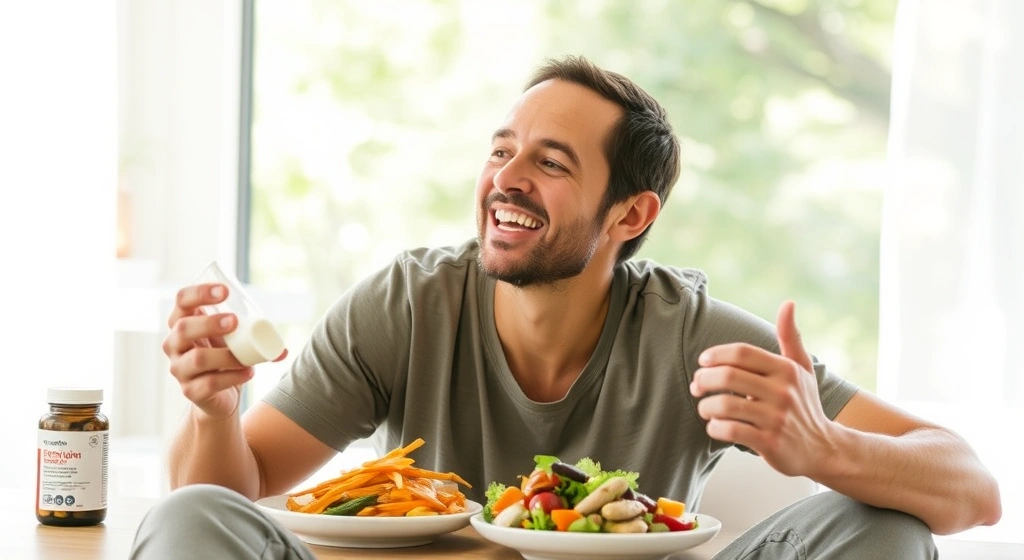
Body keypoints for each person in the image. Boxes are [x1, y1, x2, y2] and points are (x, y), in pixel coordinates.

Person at [130, 55, 1001, 559]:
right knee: (184, 515)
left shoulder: (694, 336)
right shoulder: (408, 303)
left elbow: (973, 489)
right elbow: (224, 501)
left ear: (631, 215)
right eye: (501, 150)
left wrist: (823, 445)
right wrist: (215, 406)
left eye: (550, 162)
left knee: (883, 528)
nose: (505, 178)